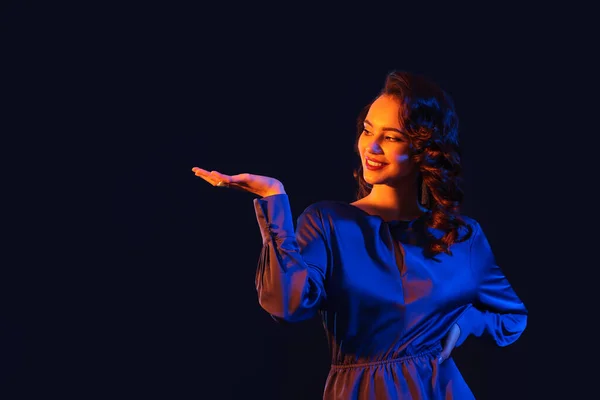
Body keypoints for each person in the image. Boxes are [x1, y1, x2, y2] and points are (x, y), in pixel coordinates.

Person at [191, 70, 527, 399]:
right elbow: (286, 305)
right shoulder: (329, 222)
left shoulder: (463, 236)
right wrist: (274, 201)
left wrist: (462, 324)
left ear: (424, 149)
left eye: (391, 137)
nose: (372, 147)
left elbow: (512, 316)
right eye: (368, 131)